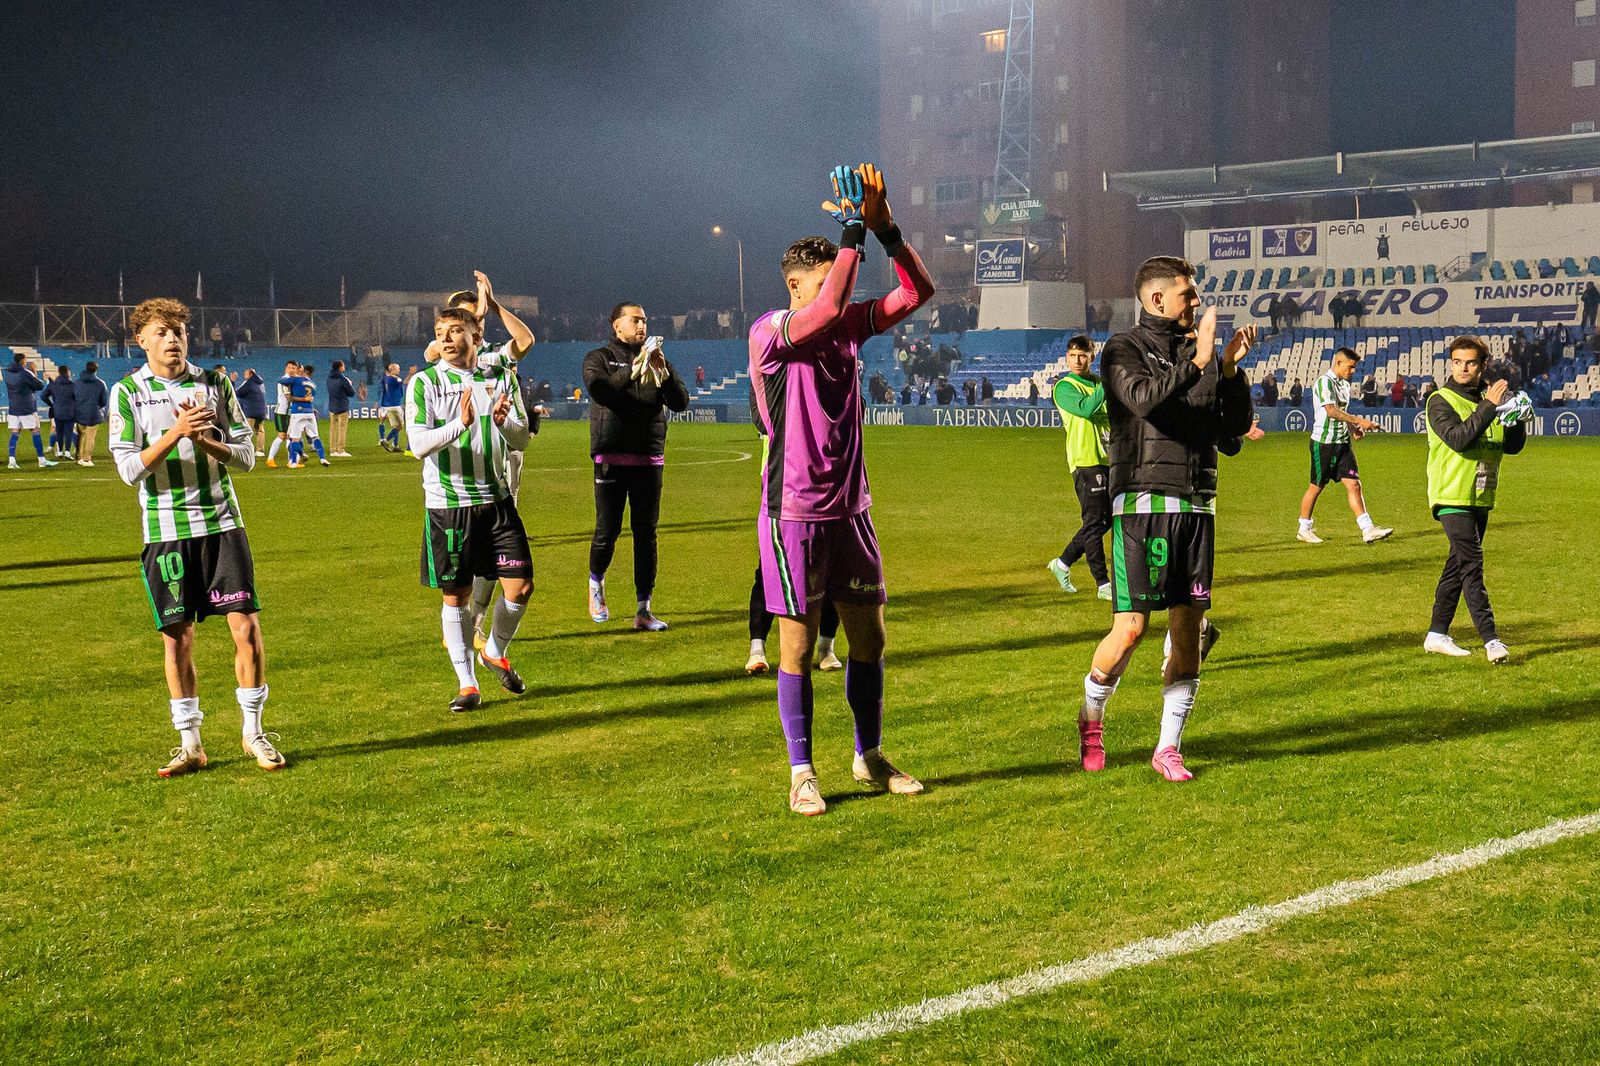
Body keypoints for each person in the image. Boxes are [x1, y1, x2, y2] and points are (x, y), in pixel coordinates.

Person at [749, 161, 934, 816]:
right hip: (792, 511)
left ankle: (869, 754)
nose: (837, 294)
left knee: (871, 640)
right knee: (796, 647)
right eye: (822, 282)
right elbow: (830, 308)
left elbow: (919, 291)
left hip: (852, 509)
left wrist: (886, 232)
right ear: (794, 287)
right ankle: (802, 771)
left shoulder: (846, 324)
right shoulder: (772, 333)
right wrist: (853, 228)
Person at [1076, 256, 1254, 783]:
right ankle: (1091, 718)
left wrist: (1228, 372)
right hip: (1142, 505)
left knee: (1188, 629)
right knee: (1130, 629)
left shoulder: (1201, 355)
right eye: (1187, 294)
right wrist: (1199, 363)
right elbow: (1143, 400)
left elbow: (1233, 432)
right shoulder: (1123, 349)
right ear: (1157, 300)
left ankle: (1168, 748)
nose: (1195, 301)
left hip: (1197, 504)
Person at [107, 298, 283, 777]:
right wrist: (177, 433)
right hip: (165, 532)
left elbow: (246, 457)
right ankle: (191, 744)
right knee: (177, 640)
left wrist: (207, 441)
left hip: (222, 525)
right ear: (141, 339)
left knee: (245, 628)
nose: (173, 340)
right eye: (162, 332)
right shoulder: (126, 393)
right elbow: (127, 469)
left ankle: (254, 733)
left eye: (180, 332)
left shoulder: (215, 383)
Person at [405, 305, 535, 711]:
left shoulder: (500, 376)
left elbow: (522, 438)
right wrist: (458, 426)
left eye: (455, 330)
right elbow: (417, 445)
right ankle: (467, 684)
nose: (445, 338)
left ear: (476, 337)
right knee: (455, 597)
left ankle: (494, 650)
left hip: (497, 500)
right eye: (441, 331)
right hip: (449, 505)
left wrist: (502, 423)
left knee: (521, 586)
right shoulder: (424, 383)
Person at [582, 303, 691, 631]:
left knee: (646, 534)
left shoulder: (657, 359)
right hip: (612, 459)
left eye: (645, 319)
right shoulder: (599, 357)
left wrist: (664, 373)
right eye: (635, 319)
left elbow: (681, 402)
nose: (642, 324)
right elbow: (601, 391)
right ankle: (596, 584)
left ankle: (644, 610)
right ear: (617, 326)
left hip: (649, 458)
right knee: (608, 532)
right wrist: (633, 369)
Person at [1422, 340, 1528, 664]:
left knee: (1457, 566)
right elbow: (1458, 438)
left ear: (1482, 366)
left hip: (1479, 496)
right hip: (1451, 494)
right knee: (1472, 564)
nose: (1462, 368)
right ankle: (1491, 640)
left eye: (1469, 363)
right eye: (1457, 362)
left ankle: (1437, 633)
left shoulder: (1489, 400)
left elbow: (1510, 446)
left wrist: (1517, 420)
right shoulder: (1439, 401)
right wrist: (1491, 407)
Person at [1296, 347, 1394, 545]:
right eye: (1350, 367)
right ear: (1338, 363)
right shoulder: (1324, 382)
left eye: (1354, 368)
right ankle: (1303, 528)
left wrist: (1352, 428)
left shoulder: (1345, 386)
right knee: (1316, 487)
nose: (1352, 372)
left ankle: (1367, 529)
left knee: (1354, 484)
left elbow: (1341, 412)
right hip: (1324, 443)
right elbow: (1331, 411)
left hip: (1342, 442)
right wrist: (1359, 421)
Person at [1047, 335, 1112, 600]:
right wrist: (1107, 383)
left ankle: (1062, 563)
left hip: (1107, 458)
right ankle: (1103, 584)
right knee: (1094, 523)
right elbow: (1086, 410)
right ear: (1066, 357)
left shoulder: (1097, 383)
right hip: (1084, 460)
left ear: (1092, 356)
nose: (1077, 360)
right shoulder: (1064, 386)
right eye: (1073, 355)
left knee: (1104, 521)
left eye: (1082, 355)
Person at [4, 353, 55, 469]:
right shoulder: (25, 373)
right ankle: (42, 460)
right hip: (26, 407)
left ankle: (12, 460)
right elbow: (39, 386)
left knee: (15, 432)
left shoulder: (7, 373)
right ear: (23, 361)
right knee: (35, 431)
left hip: (13, 408)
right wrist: (35, 374)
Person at [282, 362, 329, 468]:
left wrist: (290, 373)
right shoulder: (312, 383)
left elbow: (283, 385)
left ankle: (293, 461)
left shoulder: (295, 380)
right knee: (315, 436)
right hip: (309, 412)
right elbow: (312, 396)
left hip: (295, 412)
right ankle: (321, 458)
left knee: (292, 438)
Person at [73, 360, 109, 467]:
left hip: (79, 413)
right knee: (90, 437)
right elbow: (104, 400)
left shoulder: (77, 383)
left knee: (81, 435)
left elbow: (73, 397)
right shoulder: (100, 383)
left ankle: (78, 456)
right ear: (96, 370)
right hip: (93, 413)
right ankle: (87, 459)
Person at [264, 359, 297, 468]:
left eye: (293, 368)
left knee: (289, 437)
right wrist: (303, 400)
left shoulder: (292, 380)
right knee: (282, 436)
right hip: (282, 412)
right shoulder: (285, 380)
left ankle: (291, 461)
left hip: (289, 412)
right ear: (286, 369)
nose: (291, 369)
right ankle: (270, 459)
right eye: (289, 367)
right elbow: (288, 397)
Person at [43, 365, 77, 460]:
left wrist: (51, 404)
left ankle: (59, 452)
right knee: (69, 432)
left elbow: (43, 396)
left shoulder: (53, 385)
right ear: (67, 373)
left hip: (57, 412)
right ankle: (67, 452)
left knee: (59, 432)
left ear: (58, 372)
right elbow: (78, 397)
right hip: (70, 412)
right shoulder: (73, 385)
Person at [325, 360, 358, 458]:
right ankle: (341, 450)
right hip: (342, 406)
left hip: (332, 406)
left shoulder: (329, 378)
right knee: (342, 429)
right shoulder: (343, 379)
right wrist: (350, 384)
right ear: (340, 367)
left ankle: (332, 450)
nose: (344, 367)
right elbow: (351, 393)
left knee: (333, 429)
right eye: (343, 366)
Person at [235, 368, 268, 457]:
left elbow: (238, 393)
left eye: (246, 374)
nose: (244, 376)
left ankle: (245, 449)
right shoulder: (260, 383)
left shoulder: (249, 383)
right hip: (261, 411)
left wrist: (232, 382)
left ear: (250, 375)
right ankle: (260, 451)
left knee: (248, 430)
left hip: (251, 410)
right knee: (260, 430)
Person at [376, 362, 406, 452]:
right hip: (390, 404)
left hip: (387, 404)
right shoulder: (392, 379)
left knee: (391, 423)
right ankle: (385, 440)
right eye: (398, 368)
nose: (399, 370)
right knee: (398, 425)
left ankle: (392, 443)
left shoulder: (386, 379)